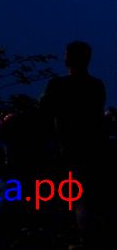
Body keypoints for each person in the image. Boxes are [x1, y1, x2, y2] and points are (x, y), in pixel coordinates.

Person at [39, 41, 108, 247]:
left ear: (69, 57)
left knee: (64, 195)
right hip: (91, 148)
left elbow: (45, 113)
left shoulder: (58, 85)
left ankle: (71, 234)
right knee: (84, 196)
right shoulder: (96, 86)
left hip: (66, 148)